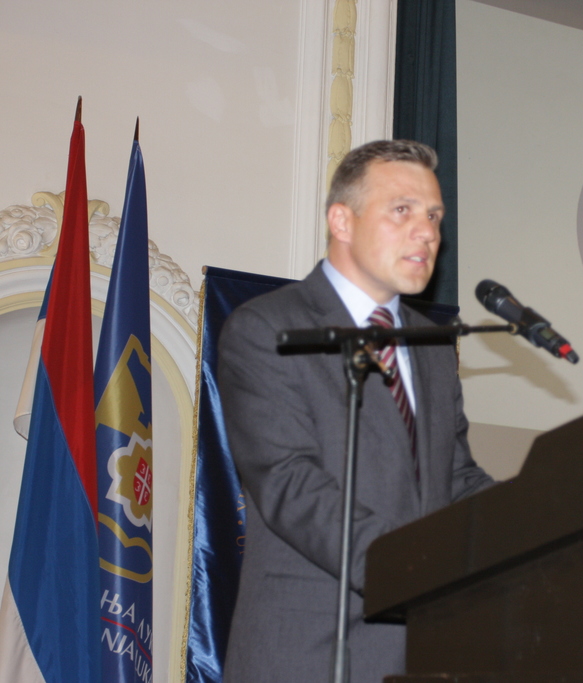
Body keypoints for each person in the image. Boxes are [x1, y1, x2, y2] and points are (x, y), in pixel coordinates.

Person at [218, 140, 494, 683]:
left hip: (423, 657)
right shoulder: (269, 328)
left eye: (434, 216)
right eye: (403, 210)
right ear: (341, 221)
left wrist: (541, 517)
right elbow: (291, 483)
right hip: (307, 656)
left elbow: (455, 479)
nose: (427, 232)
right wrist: (420, 570)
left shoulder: (433, 344)